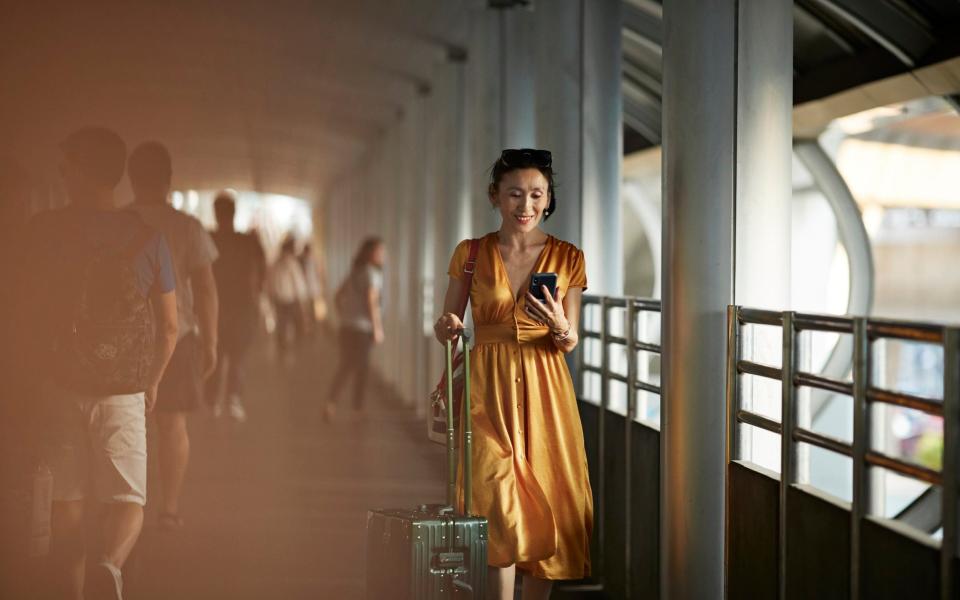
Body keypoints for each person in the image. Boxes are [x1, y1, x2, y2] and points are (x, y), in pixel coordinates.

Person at [20, 127, 179, 599]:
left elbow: (23, 310)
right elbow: (170, 328)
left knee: (66, 504)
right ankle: (109, 568)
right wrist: (151, 382)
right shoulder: (150, 239)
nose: (62, 175)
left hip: (60, 384)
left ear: (81, 171)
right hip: (122, 390)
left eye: (66, 166)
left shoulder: (43, 231)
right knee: (129, 500)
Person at [433, 149, 591, 600]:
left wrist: (560, 323)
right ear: (495, 197)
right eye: (515, 194)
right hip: (488, 390)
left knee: (551, 499)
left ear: (548, 199)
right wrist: (447, 327)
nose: (526, 205)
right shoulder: (471, 253)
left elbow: (569, 339)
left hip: (546, 390)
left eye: (536, 194)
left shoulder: (568, 257)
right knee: (496, 506)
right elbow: (446, 322)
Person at [128, 141, 219, 530]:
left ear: (130, 179)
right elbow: (206, 290)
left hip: (123, 341)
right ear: (169, 180)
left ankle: (124, 506)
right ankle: (168, 508)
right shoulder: (187, 227)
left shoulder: (118, 223)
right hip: (178, 337)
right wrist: (211, 342)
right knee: (172, 425)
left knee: (125, 425)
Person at [206, 191, 266, 422]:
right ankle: (233, 399)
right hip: (243, 308)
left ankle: (212, 400)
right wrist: (257, 293)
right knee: (238, 356)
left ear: (216, 213)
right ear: (234, 213)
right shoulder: (248, 241)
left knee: (215, 354)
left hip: (215, 308)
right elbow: (262, 271)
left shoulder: (208, 239)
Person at [323, 237, 385, 421]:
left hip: (346, 327)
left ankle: (331, 402)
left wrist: (345, 314)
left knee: (346, 365)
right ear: (371, 253)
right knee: (362, 368)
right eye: (381, 252)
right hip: (362, 329)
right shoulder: (372, 274)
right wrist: (377, 328)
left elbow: (337, 296)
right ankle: (357, 408)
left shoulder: (354, 272)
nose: (384, 256)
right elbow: (371, 302)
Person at [267, 236, 309, 359]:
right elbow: (299, 285)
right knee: (297, 325)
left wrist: (271, 297)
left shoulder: (275, 263)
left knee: (282, 325)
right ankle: (296, 349)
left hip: (278, 300)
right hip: (291, 300)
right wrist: (302, 302)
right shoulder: (291, 263)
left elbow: (270, 283)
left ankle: (282, 349)